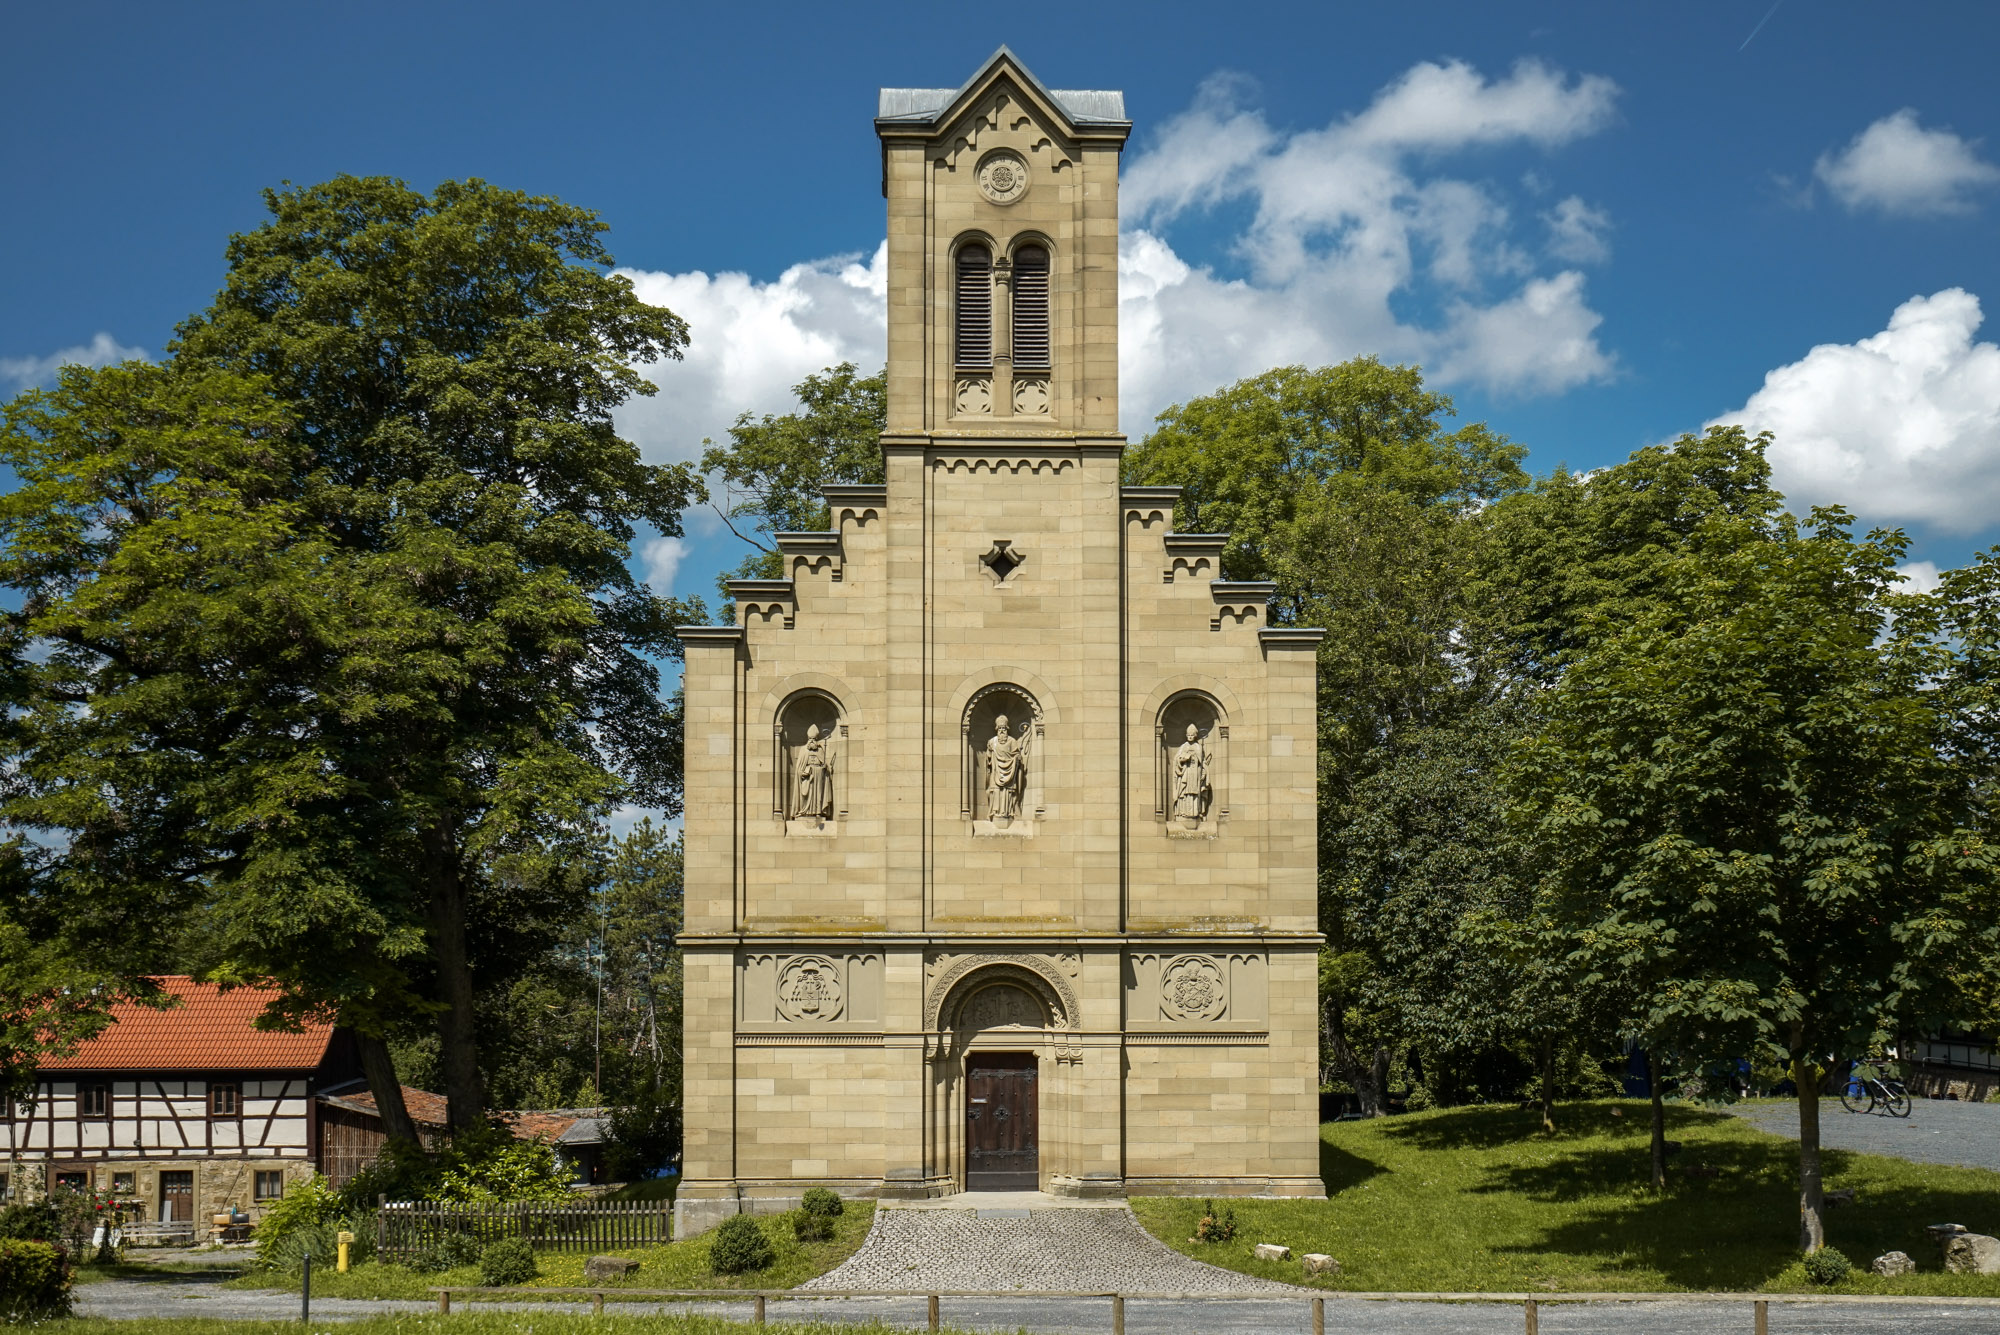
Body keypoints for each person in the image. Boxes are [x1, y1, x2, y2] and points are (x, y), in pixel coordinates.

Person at [984, 714, 1029, 825]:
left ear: (1007, 728)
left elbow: (1016, 753)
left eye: (1004, 728)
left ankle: (1009, 812)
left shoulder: (1012, 741)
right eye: (1000, 728)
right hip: (996, 772)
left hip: (1010, 770)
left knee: (1008, 793)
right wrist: (989, 753)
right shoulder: (992, 741)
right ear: (997, 729)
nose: (1002, 730)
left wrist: (1017, 757)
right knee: (995, 791)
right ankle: (995, 813)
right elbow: (988, 758)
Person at [795, 723, 833, 822]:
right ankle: (804, 811)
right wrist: (803, 773)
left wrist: (825, 767)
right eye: (810, 739)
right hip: (807, 777)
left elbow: (825, 766)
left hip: (818, 775)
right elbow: (798, 768)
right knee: (806, 794)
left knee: (818, 794)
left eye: (814, 739)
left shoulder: (820, 750)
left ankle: (818, 812)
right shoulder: (803, 750)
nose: (812, 741)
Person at [1172, 723, 1208, 827]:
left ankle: (1196, 812)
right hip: (1186, 772)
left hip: (1195, 772)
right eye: (1188, 735)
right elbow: (1177, 759)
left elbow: (1203, 762)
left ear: (1195, 735)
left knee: (1194, 793)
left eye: (1192, 735)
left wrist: (1198, 759)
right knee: (1185, 792)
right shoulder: (1184, 746)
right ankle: (1184, 812)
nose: (1190, 737)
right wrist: (1183, 758)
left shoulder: (1198, 746)